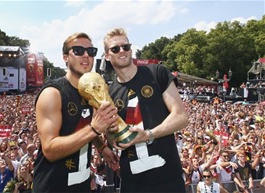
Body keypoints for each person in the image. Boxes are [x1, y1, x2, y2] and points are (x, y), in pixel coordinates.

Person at [103, 28, 189, 192]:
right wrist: (113, 137)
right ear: (107, 55)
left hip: (168, 177)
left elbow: (181, 117)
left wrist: (149, 135)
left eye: (125, 46)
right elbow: (111, 135)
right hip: (132, 182)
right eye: (115, 48)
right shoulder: (109, 93)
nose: (122, 51)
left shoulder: (157, 72)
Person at [32, 32, 119, 193]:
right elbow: (50, 149)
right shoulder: (53, 93)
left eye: (91, 51)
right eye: (78, 51)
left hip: (82, 185)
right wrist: (94, 129)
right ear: (65, 57)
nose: (86, 55)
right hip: (52, 186)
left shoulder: (89, 92)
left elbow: (81, 128)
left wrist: (102, 147)